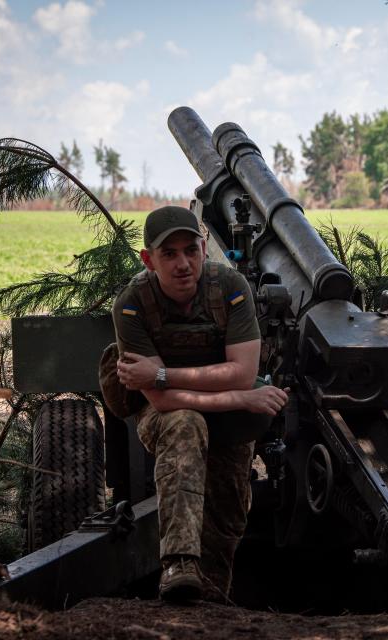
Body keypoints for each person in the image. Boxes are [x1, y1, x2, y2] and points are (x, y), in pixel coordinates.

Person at [113, 205, 289, 603]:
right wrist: (239, 396)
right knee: (185, 423)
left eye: (190, 250)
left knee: (227, 515)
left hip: (227, 417)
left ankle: (208, 607)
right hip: (165, 415)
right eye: (169, 254)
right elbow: (162, 401)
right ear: (148, 259)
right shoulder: (132, 304)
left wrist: (160, 373)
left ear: (204, 247)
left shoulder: (229, 287)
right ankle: (178, 563)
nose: (182, 264)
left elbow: (243, 373)